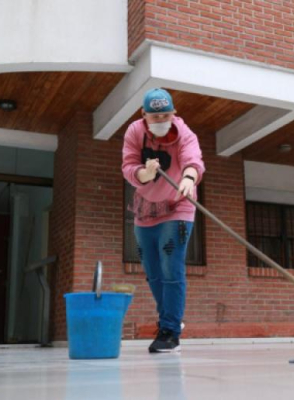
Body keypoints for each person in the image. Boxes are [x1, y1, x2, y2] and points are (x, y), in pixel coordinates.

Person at [122, 88, 205, 353]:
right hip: (145, 209)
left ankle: (169, 331)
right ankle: (170, 319)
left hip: (178, 205)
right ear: (144, 114)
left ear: (173, 113)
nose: (161, 121)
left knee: (171, 265)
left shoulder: (184, 133)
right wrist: (144, 174)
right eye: (155, 116)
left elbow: (193, 160)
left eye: (166, 115)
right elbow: (128, 166)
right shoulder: (134, 131)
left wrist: (189, 178)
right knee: (153, 271)